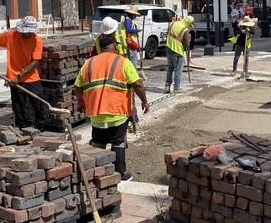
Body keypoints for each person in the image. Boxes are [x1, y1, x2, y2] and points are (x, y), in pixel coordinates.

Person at [74, 33, 149, 182]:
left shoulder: (88, 63)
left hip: (96, 113)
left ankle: (96, 171)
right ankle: (120, 173)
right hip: (117, 112)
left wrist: (81, 102)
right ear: (115, 46)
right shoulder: (123, 62)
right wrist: (145, 101)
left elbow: (77, 86)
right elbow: (137, 84)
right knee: (118, 142)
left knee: (98, 143)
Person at [0, 16, 46, 130]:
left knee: (39, 102)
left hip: (31, 77)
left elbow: (35, 62)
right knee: (18, 105)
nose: (29, 34)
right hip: (13, 77)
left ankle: (41, 128)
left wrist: (19, 76)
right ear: (21, 30)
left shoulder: (37, 40)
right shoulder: (10, 36)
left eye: (31, 32)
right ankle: (23, 129)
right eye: (27, 32)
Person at [165, 15, 194, 93]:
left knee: (170, 68)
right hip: (177, 51)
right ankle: (176, 87)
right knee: (178, 69)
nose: (190, 26)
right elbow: (186, 44)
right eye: (190, 25)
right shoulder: (185, 30)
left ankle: (167, 85)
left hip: (168, 48)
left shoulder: (173, 23)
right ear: (188, 23)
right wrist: (188, 44)